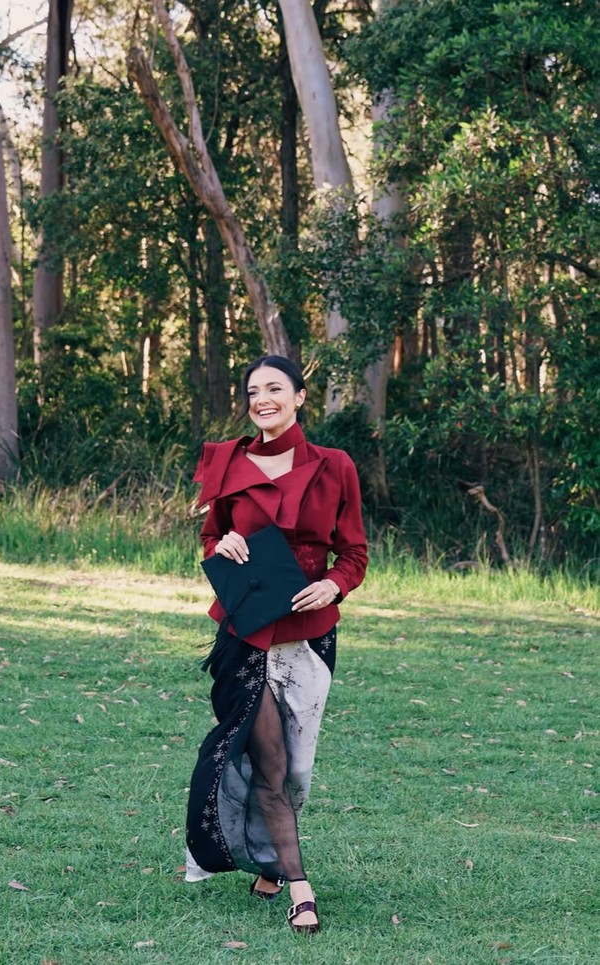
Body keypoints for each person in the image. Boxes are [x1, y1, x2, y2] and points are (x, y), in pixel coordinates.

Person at [185, 355, 368, 935]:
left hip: (309, 634)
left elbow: (355, 554)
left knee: (297, 769)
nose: (262, 398)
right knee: (268, 758)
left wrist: (332, 585)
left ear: (299, 397)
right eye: (252, 391)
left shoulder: (336, 466)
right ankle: (300, 888)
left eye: (274, 389)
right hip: (244, 630)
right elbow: (212, 537)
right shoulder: (226, 462)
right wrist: (227, 543)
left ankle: (267, 861)